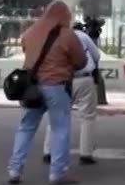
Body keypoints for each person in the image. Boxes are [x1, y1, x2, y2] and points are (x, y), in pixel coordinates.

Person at [6, 0, 87, 185]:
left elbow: (26, 49)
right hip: (56, 85)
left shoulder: (31, 32)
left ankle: (14, 169)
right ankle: (57, 172)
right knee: (60, 128)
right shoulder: (67, 35)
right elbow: (81, 62)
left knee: (26, 127)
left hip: (31, 87)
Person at [42, 17, 102, 168]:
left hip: (60, 80)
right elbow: (96, 56)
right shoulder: (82, 36)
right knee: (87, 116)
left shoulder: (52, 37)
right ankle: (86, 153)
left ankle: (49, 151)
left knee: (57, 116)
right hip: (82, 79)